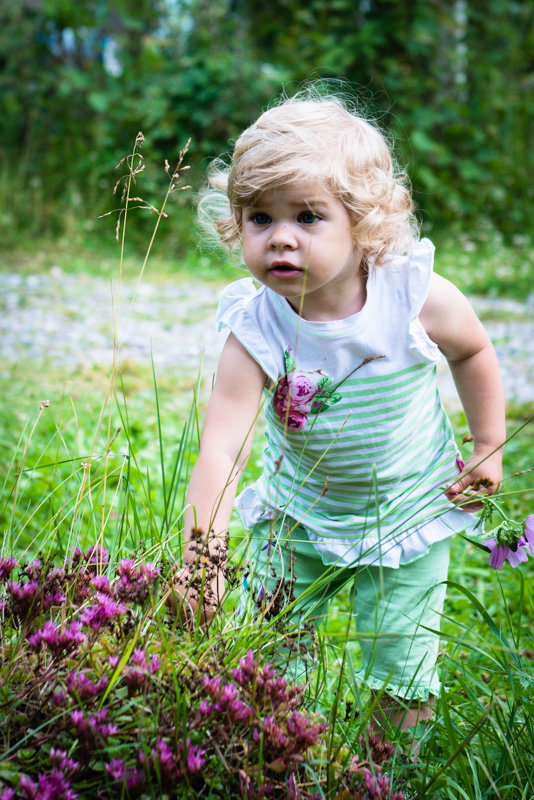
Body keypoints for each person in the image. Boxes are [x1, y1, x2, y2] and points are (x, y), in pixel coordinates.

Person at [171, 89, 505, 738]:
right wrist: (203, 556)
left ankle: (389, 763)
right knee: (270, 653)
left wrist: (488, 442)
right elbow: (223, 448)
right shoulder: (256, 326)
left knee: (400, 660)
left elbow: (473, 350)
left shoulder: (411, 294)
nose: (281, 238)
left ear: (364, 222)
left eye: (308, 216)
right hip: (295, 516)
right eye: (260, 218)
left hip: (409, 510)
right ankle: (275, 756)